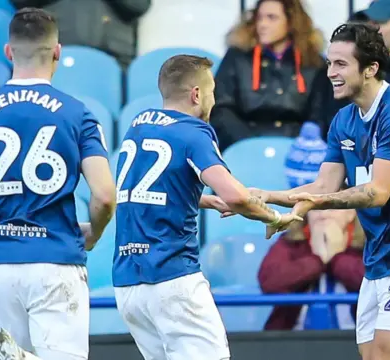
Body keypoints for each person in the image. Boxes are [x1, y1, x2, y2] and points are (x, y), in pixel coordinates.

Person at [248, 23, 390, 359]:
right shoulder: (343, 119)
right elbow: (324, 186)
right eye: (330, 63)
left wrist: (315, 201)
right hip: (378, 259)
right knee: (372, 357)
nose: (330, 73)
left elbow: (377, 192)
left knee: (386, 356)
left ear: (371, 69)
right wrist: (268, 197)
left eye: (341, 64)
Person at [0, 7, 116, 360]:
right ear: (57, 52)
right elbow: (105, 195)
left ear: (8, 52)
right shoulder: (78, 114)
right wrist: (95, 232)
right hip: (55, 260)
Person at [112, 54, 302, 360]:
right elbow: (237, 195)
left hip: (128, 285)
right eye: (212, 91)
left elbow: (140, 188)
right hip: (172, 277)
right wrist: (275, 217)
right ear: (196, 94)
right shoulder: (193, 132)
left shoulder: (138, 125)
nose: (213, 100)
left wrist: (199, 199)